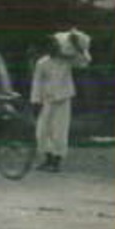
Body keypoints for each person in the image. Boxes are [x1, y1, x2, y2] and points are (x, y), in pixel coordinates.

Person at [30, 29, 92, 173]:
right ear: (46, 48)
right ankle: (47, 159)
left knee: (60, 132)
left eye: (55, 44)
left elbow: (85, 62)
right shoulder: (42, 63)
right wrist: (35, 101)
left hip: (63, 100)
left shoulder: (67, 59)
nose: (53, 47)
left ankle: (56, 162)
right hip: (46, 101)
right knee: (41, 132)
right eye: (50, 45)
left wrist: (79, 47)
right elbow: (37, 83)